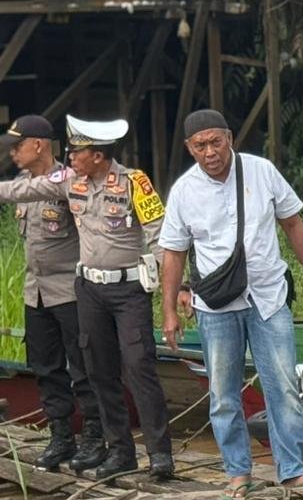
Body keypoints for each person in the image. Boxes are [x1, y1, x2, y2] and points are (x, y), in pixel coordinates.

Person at [159, 109, 303, 499]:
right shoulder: (184, 191)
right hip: (216, 306)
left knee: (283, 386)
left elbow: (293, 223)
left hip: (268, 297)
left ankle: (293, 472)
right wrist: (168, 309)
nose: (209, 152)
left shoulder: (261, 171)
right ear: (189, 148)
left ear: (230, 139)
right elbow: (173, 252)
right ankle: (238, 473)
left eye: (215, 142)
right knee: (223, 395)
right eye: (200, 146)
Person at [0, 115, 175, 480]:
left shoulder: (135, 183)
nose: (70, 158)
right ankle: (120, 451)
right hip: (88, 289)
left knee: (138, 366)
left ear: (96, 155)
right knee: (99, 371)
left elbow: (160, 236)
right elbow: (21, 191)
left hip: (128, 289)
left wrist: (177, 288)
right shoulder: (69, 181)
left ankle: (159, 453)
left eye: (76, 152)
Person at [0, 115, 103, 473]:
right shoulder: (21, 183)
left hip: (70, 291)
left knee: (83, 365)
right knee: (45, 367)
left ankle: (94, 435)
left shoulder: (70, 178)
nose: (12, 153)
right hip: (36, 292)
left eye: (18, 146)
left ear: (38, 144)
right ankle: (61, 435)